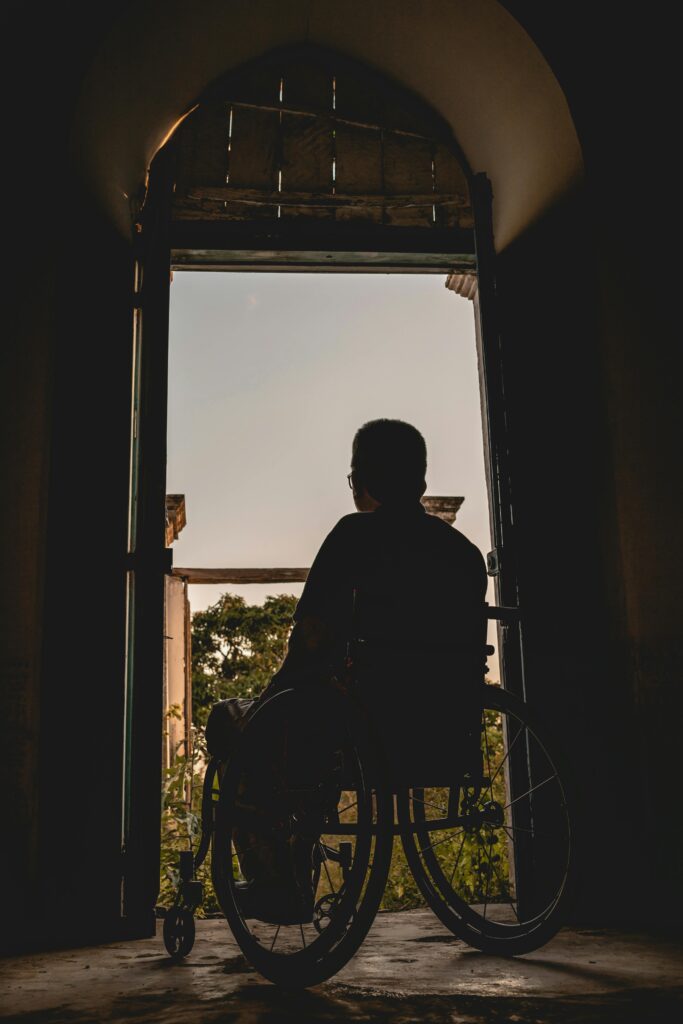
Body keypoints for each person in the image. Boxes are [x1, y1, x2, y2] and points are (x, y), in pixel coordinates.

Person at [206, 418, 488, 922]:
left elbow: (309, 643)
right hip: (439, 729)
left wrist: (267, 704)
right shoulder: (464, 557)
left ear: (362, 481)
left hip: (352, 729)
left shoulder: (354, 537)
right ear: (420, 481)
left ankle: (278, 881)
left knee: (230, 721)